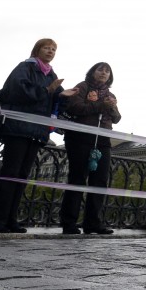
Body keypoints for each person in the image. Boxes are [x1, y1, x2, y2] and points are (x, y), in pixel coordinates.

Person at [0, 39, 77, 233]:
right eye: (47, 48)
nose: (50, 51)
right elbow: (17, 91)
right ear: (37, 50)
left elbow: (54, 100)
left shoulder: (51, 74)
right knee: (10, 174)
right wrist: (47, 90)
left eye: (53, 49)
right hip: (17, 129)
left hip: (36, 131)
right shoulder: (25, 67)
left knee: (22, 176)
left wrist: (63, 96)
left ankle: (10, 219)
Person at [59, 62, 121, 235]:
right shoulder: (82, 87)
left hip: (102, 140)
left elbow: (116, 118)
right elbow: (75, 107)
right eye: (100, 69)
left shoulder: (110, 94)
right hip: (80, 138)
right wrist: (101, 106)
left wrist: (113, 106)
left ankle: (93, 222)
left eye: (107, 71)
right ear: (92, 72)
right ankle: (69, 222)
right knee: (77, 179)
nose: (104, 73)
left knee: (100, 181)